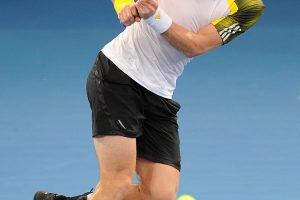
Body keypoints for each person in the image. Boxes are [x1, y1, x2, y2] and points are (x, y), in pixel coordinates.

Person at [34, 0, 265, 199]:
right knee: (117, 184)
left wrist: (155, 16)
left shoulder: (250, 8)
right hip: (118, 74)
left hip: (160, 93)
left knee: (159, 194)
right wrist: (125, 5)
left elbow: (196, 45)